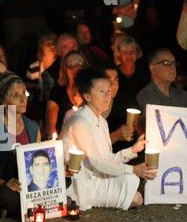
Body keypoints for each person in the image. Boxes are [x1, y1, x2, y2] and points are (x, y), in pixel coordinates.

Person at [61, 67, 157, 211]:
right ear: (87, 96)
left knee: (133, 182)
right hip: (83, 184)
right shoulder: (79, 122)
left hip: (98, 176)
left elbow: (107, 159)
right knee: (136, 195)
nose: (107, 96)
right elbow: (97, 162)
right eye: (101, 92)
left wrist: (132, 150)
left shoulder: (102, 122)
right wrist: (133, 169)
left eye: (109, 91)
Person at [0, 71, 40, 218]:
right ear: (3, 102)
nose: (23, 100)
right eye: (15, 96)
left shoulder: (32, 127)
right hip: (3, 185)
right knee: (5, 196)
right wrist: (5, 182)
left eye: (24, 94)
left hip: (27, 184)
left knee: (65, 181)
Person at [45, 51, 86, 138]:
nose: (75, 68)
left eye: (79, 64)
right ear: (65, 69)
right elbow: (50, 127)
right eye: (70, 65)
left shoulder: (91, 90)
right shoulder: (57, 92)